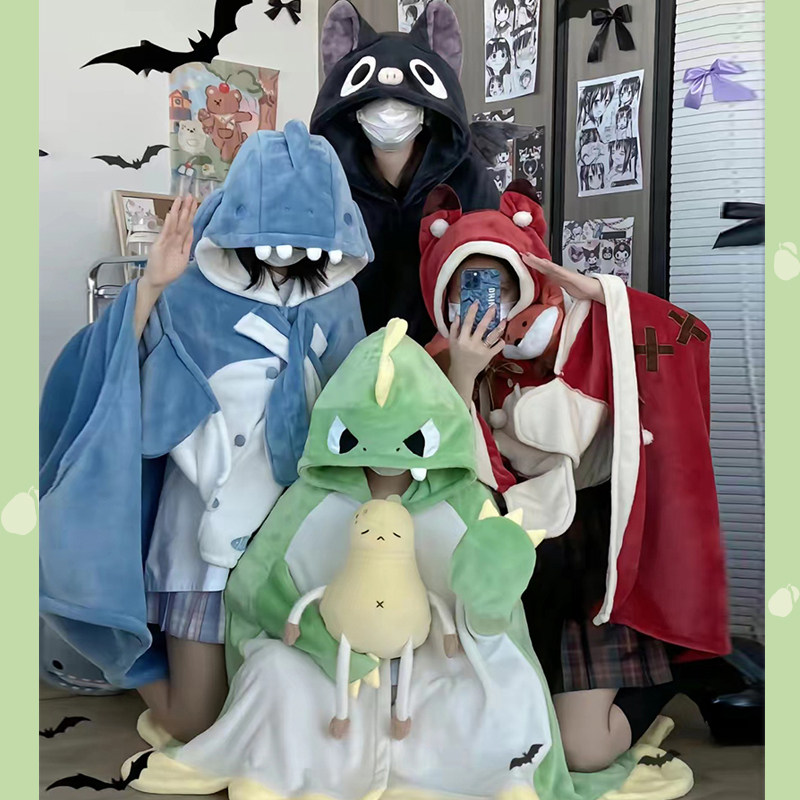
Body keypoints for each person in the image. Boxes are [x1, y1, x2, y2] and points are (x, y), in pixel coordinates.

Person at [122, 320, 692, 800]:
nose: (386, 459)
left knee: (488, 687)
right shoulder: (310, 496)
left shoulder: (463, 497)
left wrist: (486, 595)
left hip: (438, 647)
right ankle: (283, 770)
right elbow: (258, 586)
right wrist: (316, 637)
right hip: (332, 649)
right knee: (275, 674)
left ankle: (474, 774)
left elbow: (494, 607)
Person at [39, 121, 373, 742]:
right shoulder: (188, 289)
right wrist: (151, 286)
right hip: (202, 528)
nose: (283, 251)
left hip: (298, 523)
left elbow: (355, 404)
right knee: (197, 721)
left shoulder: (338, 299)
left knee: (284, 704)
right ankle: (139, 667)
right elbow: (109, 372)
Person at [417, 181, 729, 773]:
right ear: (444, 292)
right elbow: (443, 468)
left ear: (524, 281)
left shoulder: (585, 330)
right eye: (467, 286)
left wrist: (603, 294)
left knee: (582, 750)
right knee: (495, 730)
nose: (485, 302)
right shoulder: (435, 362)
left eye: (499, 284)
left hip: (590, 550)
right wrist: (462, 375)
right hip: (505, 555)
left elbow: (688, 335)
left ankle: (669, 677)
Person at [311, 0, 500, 342]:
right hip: (346, 355)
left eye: (405, 102)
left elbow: (488, 261)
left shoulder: (467, 179)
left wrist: (468, 349)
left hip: (439, 355)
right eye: (376, 101)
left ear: (428, 108)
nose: (390, 112)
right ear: (354, 109)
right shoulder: (325, 182)